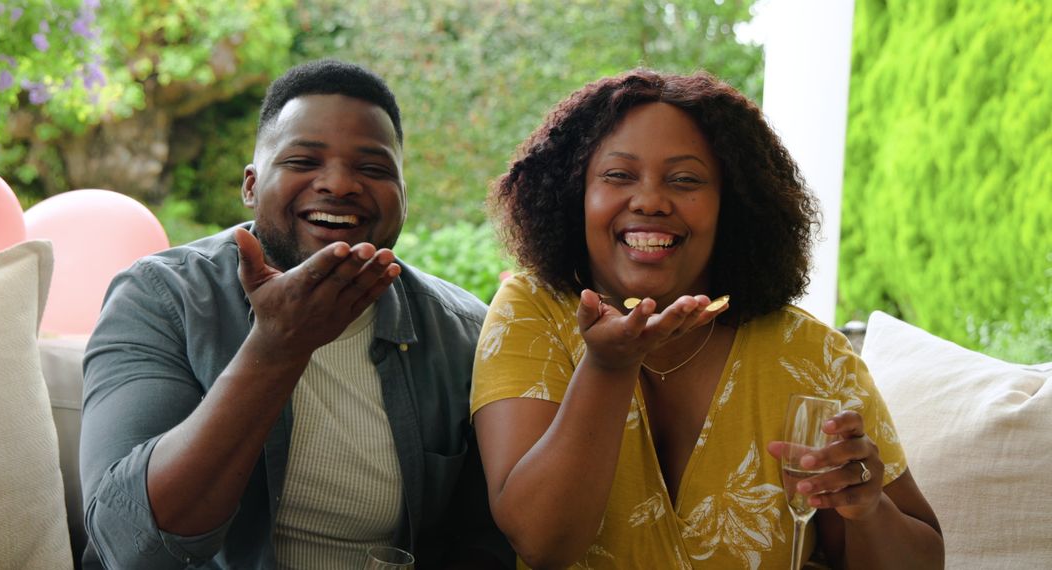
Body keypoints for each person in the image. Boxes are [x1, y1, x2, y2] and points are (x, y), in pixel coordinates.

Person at [471, 69, 944, 569]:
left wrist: (866, 510)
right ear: (574, 195)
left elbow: (921, 560)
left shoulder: (810, 353)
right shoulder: (534, 310)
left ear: (733, 206)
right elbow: (542, 542)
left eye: (686, 180)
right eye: (618, 175)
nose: (651, 200)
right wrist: (608, 368)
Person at [80, 59, 511, 569]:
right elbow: (131, 545)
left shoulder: (463, 333)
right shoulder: (161, 297)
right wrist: (277, 345)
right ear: (250, 185)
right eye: (304, 161)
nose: (339, 184)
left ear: (403, 197)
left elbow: (485, 543)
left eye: (372, 169)